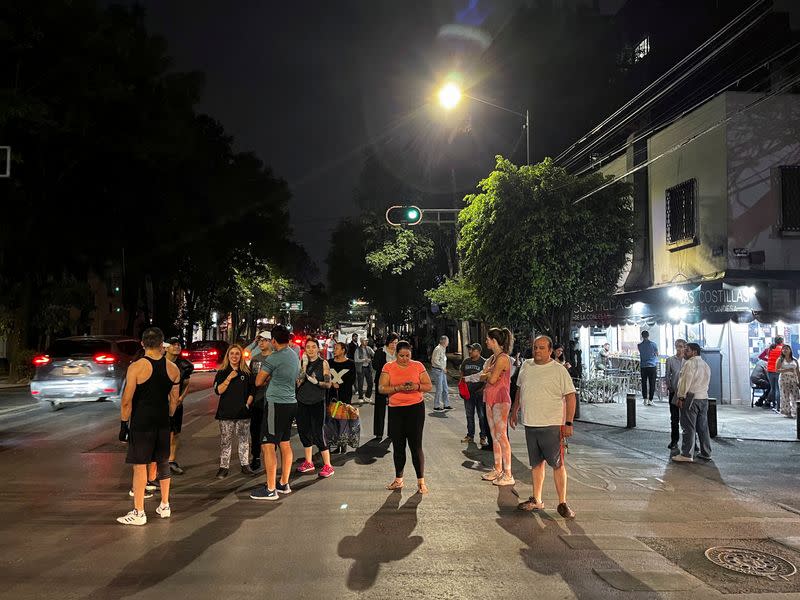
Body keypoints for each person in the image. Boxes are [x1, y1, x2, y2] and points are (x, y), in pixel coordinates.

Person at [117, 327, 181, 525]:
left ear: (143, 344)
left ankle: (139, 512)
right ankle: (164, 505)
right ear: (162, 344)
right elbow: (174, 400)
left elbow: (127, 400)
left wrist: (123, 424)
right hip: (162, 421)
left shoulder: (136, 367)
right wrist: (169, 418)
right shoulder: (173, 369)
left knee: (140, 466)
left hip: (142, 422)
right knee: (163, 462)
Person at [511, 335, 577, 518]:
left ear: (550, 350)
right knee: (536, 464)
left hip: (552, 425)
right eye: (535, 347)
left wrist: (569, 423)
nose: (537, 351)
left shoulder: (559, 370)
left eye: (541, 348)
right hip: (531, 423)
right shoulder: (526, 366)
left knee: (557, 464)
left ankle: (562, 502)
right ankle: (537, 500)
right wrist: (515, 409)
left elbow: (571, 396)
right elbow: (520, 389)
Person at [250, 325, 300, 501]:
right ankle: (284, 483)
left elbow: (258, 381)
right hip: (291, 403)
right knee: (285, 443)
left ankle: (271, 489)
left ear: (273, 340)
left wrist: (269, 377)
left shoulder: (273, 358)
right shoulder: (294, 355)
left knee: (268, 445)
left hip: (275, 404)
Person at [379, 340, 433, 494]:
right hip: (396, 410)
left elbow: (428, 386)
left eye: (407, 355)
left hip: (415, 409)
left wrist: (416, 386)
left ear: (411, 354)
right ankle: (398, 479)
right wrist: (398, 388)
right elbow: (382, 388)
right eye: (401, 356)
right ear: (396, 354)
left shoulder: (418, 366)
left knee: (416, 446)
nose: (404, 359)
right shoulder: (388, 367)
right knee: (398, 446)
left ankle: (421, 481)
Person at [213, 344, 255, 478]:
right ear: (228, 356)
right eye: (232, 354)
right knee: (226, 441)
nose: (234, 356)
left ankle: (245, 465)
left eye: (237, 354)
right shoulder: (222, 372)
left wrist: (248, 402)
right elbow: (218, 391)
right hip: (226, 413)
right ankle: (224, 467)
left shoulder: (246, 372)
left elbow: (252, 389)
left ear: (241, 356)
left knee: (244, 440)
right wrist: (229, 378)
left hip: (243, 412)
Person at [480, 327, 515, 487]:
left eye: (488, 339)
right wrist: (487, 374)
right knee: (494, 435)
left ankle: (508, 474)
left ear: (494, 341)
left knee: (501, 436)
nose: (486, 341)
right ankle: (498, 469)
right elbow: (486, 375)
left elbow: (491, 379)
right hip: (491, 397)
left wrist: (487, 374)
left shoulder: (502, 358)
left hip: (500, 399)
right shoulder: (493, 358)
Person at [294, 338, 335, 478]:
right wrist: (304, 367)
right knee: (304, 431)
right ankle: (308, 462)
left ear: (318, 349)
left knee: (318, 432)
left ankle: (328, 465)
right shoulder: (302, 363)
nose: (310, 350)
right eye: (308, 347)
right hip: (302, 401)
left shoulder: (323, 363)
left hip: (317, 401)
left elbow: (328, 384)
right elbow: (298, 382)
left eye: (313, 347)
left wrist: (317, 382)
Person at [672, 343, 712, 463]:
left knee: (688, 427)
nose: (684, 352)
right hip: (704, 398)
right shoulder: (705, 365)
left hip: (691, 398)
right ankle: (706, 452)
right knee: (703, 427)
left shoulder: (690, 364)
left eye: (687, 350)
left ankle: (686, 454)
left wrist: (681, 397)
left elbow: (685, 382)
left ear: (694, 352)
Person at [164, 337, 194, 475]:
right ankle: (160, 462)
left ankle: (171, 460)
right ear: (165, 347)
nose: (176, 346)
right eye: (173, 344)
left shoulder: (184, 365)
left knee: (175, 433)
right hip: (162, 404)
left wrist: (181, 398)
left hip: (177, 404)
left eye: (178, 344)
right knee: (164, 433)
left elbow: (186, 384)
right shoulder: (160, 363)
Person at [247, 331, 272, 471]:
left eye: (264, 340)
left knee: (269, 431)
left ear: (270, 341)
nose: (261, 343)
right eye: (260, 340)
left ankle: (270, 457)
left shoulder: (275, 358)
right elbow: (252, 381)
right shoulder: (255, 359)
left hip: (272, 400)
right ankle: (255, 456)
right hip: (257, 400)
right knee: (255, 430)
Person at [459, 343, 488, 446]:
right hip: (468, 394)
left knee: (481, 416)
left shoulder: (484, 362)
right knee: (469, 415)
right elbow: (462, 375)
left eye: (473, 350)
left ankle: (483, 436)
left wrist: (483, 389)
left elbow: (487, 379)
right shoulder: (466, 361)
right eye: (470, 350)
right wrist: (461, 388)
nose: (470, 351)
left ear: (479, 351)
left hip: (480, 394)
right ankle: (470, 435)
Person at [372, 333, 399, 439]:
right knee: (380, 408)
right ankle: (379, 432)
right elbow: (375, 365)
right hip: (382, 382)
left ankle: (392, 432)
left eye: (396, 343)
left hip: (395, 383)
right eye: (392, 342)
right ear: (388, 342)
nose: (394, 345)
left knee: (394, 408)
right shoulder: (380, 351)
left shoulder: (398, 352)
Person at [665, 339, 686, 450]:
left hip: (686, 394)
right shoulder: (670, 360)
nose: (679, 348)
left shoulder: (688, 361)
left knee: (687, 419)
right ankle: (674, 440)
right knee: (674, 418)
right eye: (677, 346)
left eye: (681, 346)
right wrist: (670, 387)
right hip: (674, 392)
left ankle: (691, 442)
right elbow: (667, 375)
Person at [759, 337, 784, 411]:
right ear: (782, 341)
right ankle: (779, 407)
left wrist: (768, 359)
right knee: (778, 389)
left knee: (773, 389)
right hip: (778, 370)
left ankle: (773, 404)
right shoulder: (782, 349)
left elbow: (760, 356)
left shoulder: (769, 349)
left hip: (770, 370)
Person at [776, 345, 799, 419]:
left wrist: (799, 380)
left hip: (793, 379)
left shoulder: (794, 360)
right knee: (785, 395)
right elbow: (777, 370)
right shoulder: (780, 359)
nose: (785, 350)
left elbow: (798, 371)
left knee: (796, 395)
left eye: (787, 349)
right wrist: (787, 370)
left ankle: (796, 411)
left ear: (790, 350)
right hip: (784, 379)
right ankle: (787, 411)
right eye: (783, 349)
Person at [430, 335, 452, 411]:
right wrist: (443, 368)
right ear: (443, 341)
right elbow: (435, 360)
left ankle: (446, 404)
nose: (448, 343)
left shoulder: (443, 349)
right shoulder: (438, 349)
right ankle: (436, 405)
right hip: (437, 371)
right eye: (447, 341)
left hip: (441, 371)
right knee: (439, 389)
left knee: (445, 388)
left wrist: (444, 368)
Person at [637, 331, 658, 406]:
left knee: (644, 383)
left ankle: (645, 399)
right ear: (648, 335)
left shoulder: (639, 345)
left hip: (643, 366)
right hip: (652, 366)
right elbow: (657, 353)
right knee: (652, 383)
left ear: (642, 336)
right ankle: (651, 400)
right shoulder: (653, 344)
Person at [354, 337, 375, 404]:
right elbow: (356, 359)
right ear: (361, 341)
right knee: (360, 383)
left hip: (368, 367)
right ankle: (360, 397)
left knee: (370, 383)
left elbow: (374, 354)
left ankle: (367, 396)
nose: (367, 342)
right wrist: (364, 360)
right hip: (361, 367)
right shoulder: (357, 350)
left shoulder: (368, 348)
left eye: (367, 341)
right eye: (365, 341)